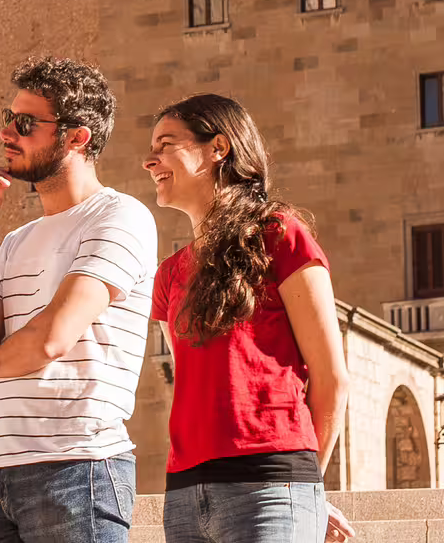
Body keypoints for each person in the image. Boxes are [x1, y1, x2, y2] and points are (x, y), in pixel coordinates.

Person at [0, 57, 157, 543]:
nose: (6, 134)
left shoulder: (121, 216)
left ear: (76, 137)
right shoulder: (16, 239)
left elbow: (52, 337)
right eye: (6, 119)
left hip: (78, 469)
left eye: (24, 124)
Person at [142, 94, 353, 543]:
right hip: (183, 495)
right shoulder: (168, 275)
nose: (149, 160)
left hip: (270, 482)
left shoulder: (280, 234)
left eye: (165, 144)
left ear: (218, 147)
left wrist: (306, 489)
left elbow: (332, 377)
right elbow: (192, 388)